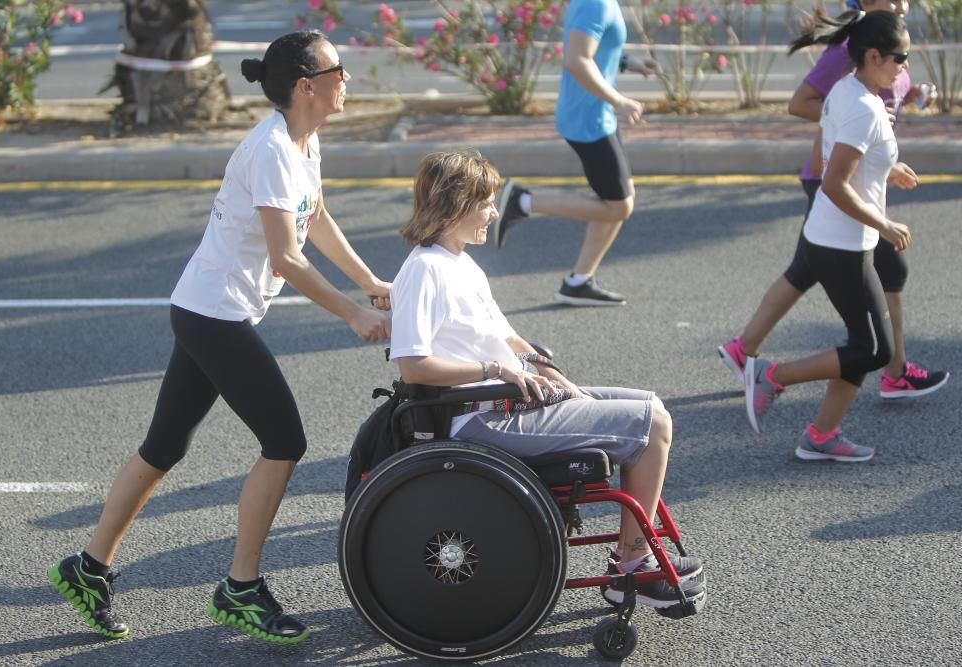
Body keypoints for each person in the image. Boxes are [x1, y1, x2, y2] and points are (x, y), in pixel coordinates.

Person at [47, 31, 391, 643]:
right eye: (341, 70)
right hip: (214, 315)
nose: (349, 80)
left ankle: (88, 568)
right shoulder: (270, 151)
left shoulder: (302, 144)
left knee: (164, 446)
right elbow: (286, 258)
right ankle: (240, 587)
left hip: (208, 307)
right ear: (306, 85)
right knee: (284, 441)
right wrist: (351, 313)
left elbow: (314, 214)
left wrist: (369, 282)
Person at [389, 150, 705, 610]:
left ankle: (633, 556)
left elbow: (507, 337)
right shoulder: (424, 269)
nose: (494, 213)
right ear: (456, 205)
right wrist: (495, 371)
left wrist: (550, 371)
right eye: (486, 204)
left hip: (510, 401)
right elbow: (413, 366)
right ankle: (632, 565)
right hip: (479, 419)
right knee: (651, 424)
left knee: (650, 405)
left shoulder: (461, 263)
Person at [718, 0, 948, 402]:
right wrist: (860, 129)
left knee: (806, 270)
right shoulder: (851, 53)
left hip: (850, 176)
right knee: (883, 276)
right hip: (832, 179)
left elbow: (866, 111)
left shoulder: (877, 48)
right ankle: (885, 369)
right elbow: (803, 104)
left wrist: (899, 109)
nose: (903, 5)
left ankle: (749, 352)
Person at [740, 10, 919, 461]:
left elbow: (834, 158)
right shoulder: (863, 108)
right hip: (844, 244)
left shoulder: (848, 90)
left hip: (828, 234)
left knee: (868, 343)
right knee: (874, 348)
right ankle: (773, 376)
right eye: (901, 58)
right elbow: (834, 181)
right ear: (874, 54)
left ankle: (822, 434)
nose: (905, 67)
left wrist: (886, 168)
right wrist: (884, 224)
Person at [490, 0, 661, 307]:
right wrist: (619, 100)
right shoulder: (594, 3)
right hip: (588, 120)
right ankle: (522, 201)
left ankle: (579, 282)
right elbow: (577, 60)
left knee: (619, 200)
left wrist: (626, 61)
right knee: (619, 207)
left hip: (597, 115)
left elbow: (595, 49)